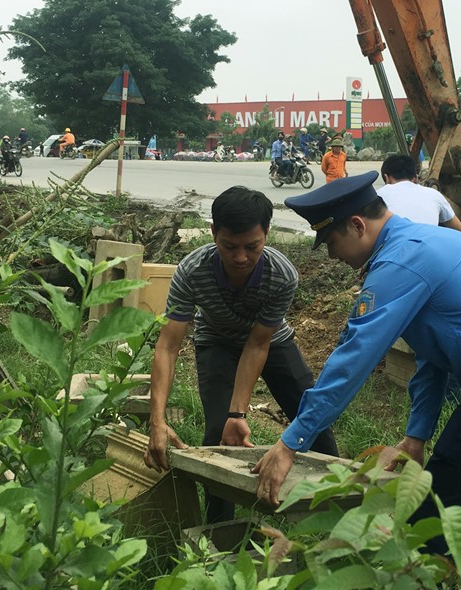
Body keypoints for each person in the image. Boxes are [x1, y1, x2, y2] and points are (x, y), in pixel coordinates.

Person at [252, 172, 461, 553]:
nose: (331, 255)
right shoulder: (426, 240)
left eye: (331, 242)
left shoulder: (399, 264)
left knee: (428, 522)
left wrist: (291, 443)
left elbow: (353, 360)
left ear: (357, 225)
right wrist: (416, 436)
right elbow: (433, 355)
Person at [143, 186, 339, 523]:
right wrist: (157, 420)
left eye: (252, 247)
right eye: (229, 246)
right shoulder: (192, 271)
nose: (240, 258)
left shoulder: (282, 275)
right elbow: (168, 345)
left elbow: (258, 343)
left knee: (313, 416)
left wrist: (241, 410)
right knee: (220, 434)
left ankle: (337, 507)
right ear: (213, 233)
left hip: (271, 341)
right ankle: (219, 534)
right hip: (215, 340)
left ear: (267, 234)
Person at [377, 155, 461, 234]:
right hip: (427, 251)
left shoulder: (377, 196)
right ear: (416, 178)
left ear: (386, 178)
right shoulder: (434, 194)